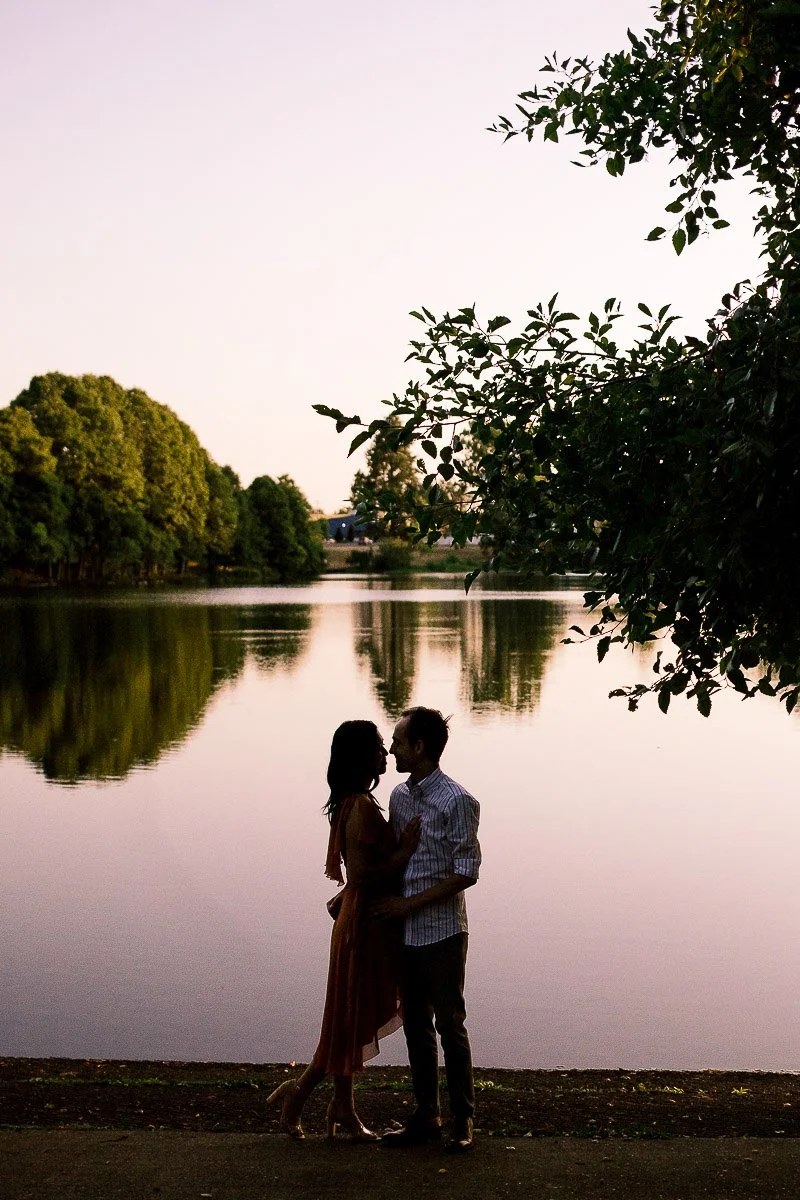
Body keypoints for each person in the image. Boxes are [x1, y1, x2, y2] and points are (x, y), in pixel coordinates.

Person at [266, 719, 420, 1141]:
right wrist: (405, 851)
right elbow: (365, 874)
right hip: (363, 925)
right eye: (376, 748)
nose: (385, 754)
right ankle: (297, 1097)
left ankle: (343, 1108)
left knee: (350, 1018)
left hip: (362, 920)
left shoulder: (353, 802)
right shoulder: (363, 809)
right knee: (344, 1024)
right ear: (360, 757)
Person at [376, 707, 481, 1153]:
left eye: (398, 741)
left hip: (442, 932)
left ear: (420, 748)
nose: (392, 748)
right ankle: (427, 1115)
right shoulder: (399, 798)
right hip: (407, 936)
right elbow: (396, 859)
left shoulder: (457, 801)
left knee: (450, 1025)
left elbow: (466, 871)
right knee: (414, 1024)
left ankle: (463, 1119)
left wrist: (408, 905)